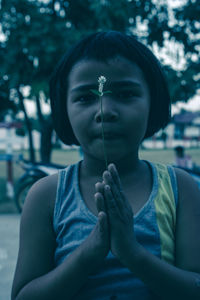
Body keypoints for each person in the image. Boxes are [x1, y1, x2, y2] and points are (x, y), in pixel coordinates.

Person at [11, 31, 200, 300]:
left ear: (153, 103)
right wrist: (89, 252)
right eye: (86, 98)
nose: (105, 111)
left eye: (125, 94)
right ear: (63, 110)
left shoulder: (180, 188)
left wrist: (132, 253)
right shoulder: (46, 197)